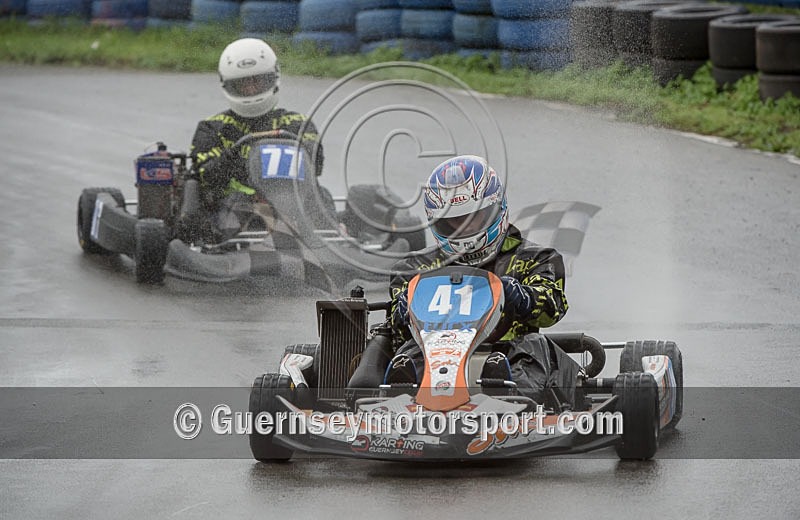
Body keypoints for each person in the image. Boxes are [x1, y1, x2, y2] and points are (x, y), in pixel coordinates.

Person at [349, 155, 580, 406]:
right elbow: (398, 328)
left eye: (473, 218)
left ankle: (511, 399)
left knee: (534, 344)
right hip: (435, 356)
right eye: (453, 222)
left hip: (507, 353)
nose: (465, 229)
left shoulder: (535, 258)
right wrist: (404, 310)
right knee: (407, 352)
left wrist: (521, 297)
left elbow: (553, 308)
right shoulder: (415, 267)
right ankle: (401, 397)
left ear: (495, 209)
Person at [183, 38, 327, 241]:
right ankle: (228, 249)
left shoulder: (298, 123)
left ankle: (332, 239)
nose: (251, 90)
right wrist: (238, 159)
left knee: (321, 196)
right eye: (243, 84)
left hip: (295, 202)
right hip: (238, 204)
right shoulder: (212, 128)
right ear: (228, 85)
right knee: (232, 205)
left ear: (273, 78)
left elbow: (315, 166)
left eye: (257, 82)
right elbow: (208, 177)